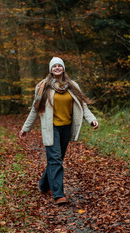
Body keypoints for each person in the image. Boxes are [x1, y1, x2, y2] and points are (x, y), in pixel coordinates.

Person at [19, 57, 98, 205]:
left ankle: (44, 185)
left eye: (59, 65)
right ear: (50, 69)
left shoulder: (73, 86)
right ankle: (58, 194)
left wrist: (92, 119)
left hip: (66, 127)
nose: (57, 68)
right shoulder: (43, 87)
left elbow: (83, 106)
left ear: (63, 68)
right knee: (55, 159)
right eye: (54, 66)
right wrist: (25, 128)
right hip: (51, 127)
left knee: (57, 159)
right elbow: (35, 110)